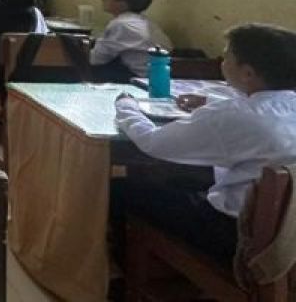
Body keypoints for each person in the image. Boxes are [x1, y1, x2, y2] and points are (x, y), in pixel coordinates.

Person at [113, 23, 296, 263]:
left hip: (237, 237)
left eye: (227, 56)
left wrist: (127, 107)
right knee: (179, 183)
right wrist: (210, 101)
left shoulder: (234, 115)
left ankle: (124, 273)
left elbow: (153, 143)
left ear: (248, 73)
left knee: (121, 190)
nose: (222, 60)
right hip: (287, 240)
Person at [90, 0, 172, 82]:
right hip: (161, 76)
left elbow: (97, 59)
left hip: (138, 78)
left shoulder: (120, 24)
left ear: (123, 3)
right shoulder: (148, 22)